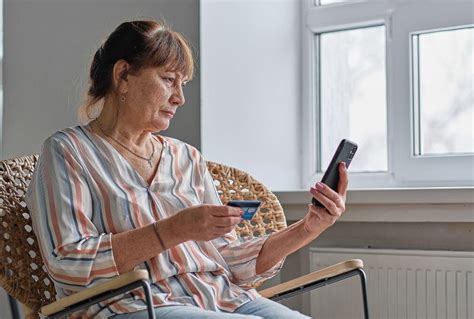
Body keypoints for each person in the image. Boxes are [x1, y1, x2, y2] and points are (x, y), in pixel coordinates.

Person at [26, 20, 349, 319]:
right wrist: (173, 229)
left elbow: (229, 260)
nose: (179, 98)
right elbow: (68, 262)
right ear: (123, 76)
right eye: (168, 80)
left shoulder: (187, 158)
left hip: (220, 297)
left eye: (183, 84)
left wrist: (308, 227)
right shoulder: (68, 152)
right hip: (131, 304)